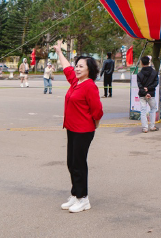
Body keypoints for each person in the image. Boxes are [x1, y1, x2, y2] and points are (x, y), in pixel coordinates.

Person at [53, 42, 103, 213]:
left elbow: (98, 110)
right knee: (71, 162)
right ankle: (75, 194)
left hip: (84, 131)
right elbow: (67, 68)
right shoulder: (76, 82)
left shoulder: (89, 86)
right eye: (77, 66)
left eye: (81, 66)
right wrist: (59, 52)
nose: (77, 68)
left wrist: (94, 125)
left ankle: (83, 199)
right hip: (72, 129)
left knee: (79, 163)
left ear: (89, 69)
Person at [135, 55, 159, 133]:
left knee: (143, 110)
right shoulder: (154, 73)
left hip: (142, 95)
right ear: (149, 62)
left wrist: (145, 92)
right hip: (151, 94)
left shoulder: (139, 74)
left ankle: (145, 128)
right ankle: (152, 126)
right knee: (153, 109)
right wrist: (149, 90)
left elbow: (140, 86)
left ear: (141, 63)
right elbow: (156, 83)